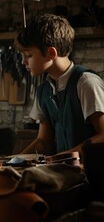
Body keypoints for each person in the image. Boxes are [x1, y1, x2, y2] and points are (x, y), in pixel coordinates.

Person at [15, 13, 104, 156]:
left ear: (51, 53)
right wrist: (13, 161)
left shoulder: (86, 83)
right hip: (64, 170)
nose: (23, 62)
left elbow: (103, 136)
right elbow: (43, 141)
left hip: (92, 173)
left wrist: (65, 155)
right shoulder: (43, 91)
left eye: (29, 55)